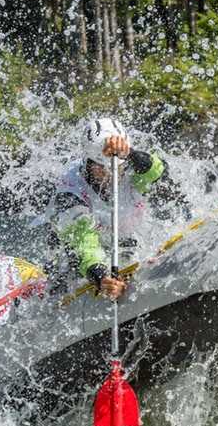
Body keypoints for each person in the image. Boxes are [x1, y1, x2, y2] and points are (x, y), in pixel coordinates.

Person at [45, 118, 186, 300]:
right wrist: (102, 278)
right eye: (101, 168)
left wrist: (131, 154)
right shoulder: (71, 195)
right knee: (72, 263)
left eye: (116, 168)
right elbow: (84, 245)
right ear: (88, 163)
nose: (110, 174)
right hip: (72, 254)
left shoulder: (129, 168)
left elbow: (158, 172)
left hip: (120, 243)